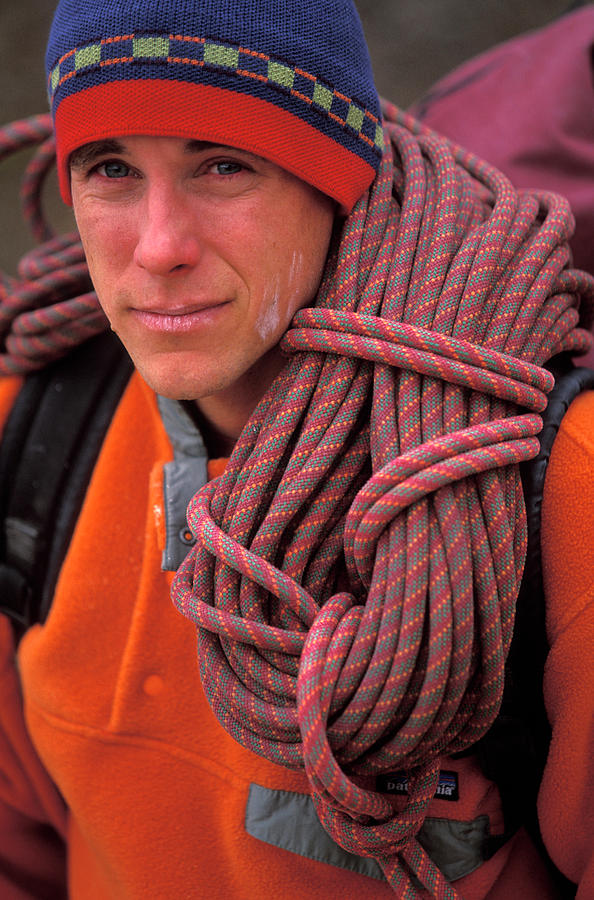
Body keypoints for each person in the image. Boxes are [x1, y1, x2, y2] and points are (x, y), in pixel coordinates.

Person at [0, 1, 592, 898]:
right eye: (111, 168)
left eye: (224, 165)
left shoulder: (559, 491)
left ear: (337, 181)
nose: (158, 248)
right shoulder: (31, 431)